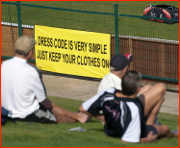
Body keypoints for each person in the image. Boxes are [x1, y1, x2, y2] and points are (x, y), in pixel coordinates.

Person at [1, 35, 88, 124]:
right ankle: (79, 118)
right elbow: (43, 101)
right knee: (56, 115)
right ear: (30, 52)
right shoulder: (32, 71)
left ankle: (78, 116)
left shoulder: (4, 65)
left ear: (15, 50)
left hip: (7, 112)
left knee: (50, 109)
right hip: (25, 114)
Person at [80, 71, 179, 143]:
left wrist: (103, 117)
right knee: (165, 129)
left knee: (153, 91)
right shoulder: (133, 108)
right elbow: (127, 141)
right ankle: (175, 134)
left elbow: (83, 108)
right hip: (122, 130)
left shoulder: (109, 92)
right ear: (137, 89)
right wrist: (148, 139)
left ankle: (151, 124)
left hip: (111, 127)